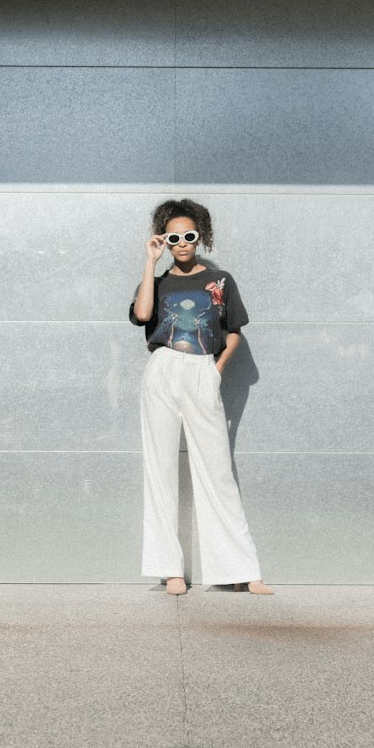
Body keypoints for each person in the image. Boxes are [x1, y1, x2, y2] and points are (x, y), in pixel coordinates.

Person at [129, 197, 274, 596]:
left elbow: (233, 333)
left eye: (189, 235)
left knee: (217, 471)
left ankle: (242, 570)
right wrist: (150, 262)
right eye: (173, 236)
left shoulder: (220, 281)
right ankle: (168, 570)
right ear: (164, 238)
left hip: (201, 371)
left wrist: (215, 372)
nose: (181, 243)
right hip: (162, 370)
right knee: (159, 469)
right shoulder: (157, 283)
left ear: (201, 237)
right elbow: (143, 316)